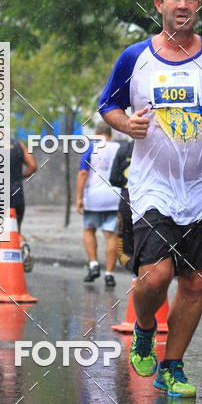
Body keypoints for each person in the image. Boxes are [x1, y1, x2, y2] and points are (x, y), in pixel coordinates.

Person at [98, 0, 202, 398]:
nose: (182, 4)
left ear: (198, 5)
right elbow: (107, 104)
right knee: (154, 278)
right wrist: (124, 123)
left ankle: (173, 366)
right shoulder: (136, 58)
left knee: (193, 282)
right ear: (159, 5)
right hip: (152, 185)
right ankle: (146, 327)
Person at [0, 138, 38, 272]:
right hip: (16, 192)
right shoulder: (18, 144)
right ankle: (22, 244)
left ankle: (1, 272)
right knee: (13, 231)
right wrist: (19, 177)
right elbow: (33, 166)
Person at [76, 123, 121, 287]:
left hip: (94, 197)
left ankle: (93, 265)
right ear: (110, 134)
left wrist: (79, 197)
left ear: (96, 134)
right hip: (115, 197)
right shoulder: (119, 148)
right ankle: (109, 274)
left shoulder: (91, 148)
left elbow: (83, 173)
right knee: (111, 235)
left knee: (89, 229)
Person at [109, 139, 134, 271]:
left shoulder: (124, 149)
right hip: (156, 204)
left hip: (127, 201)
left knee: (125, 250)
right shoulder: (159, 146)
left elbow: (114, 178)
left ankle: (138, 276)